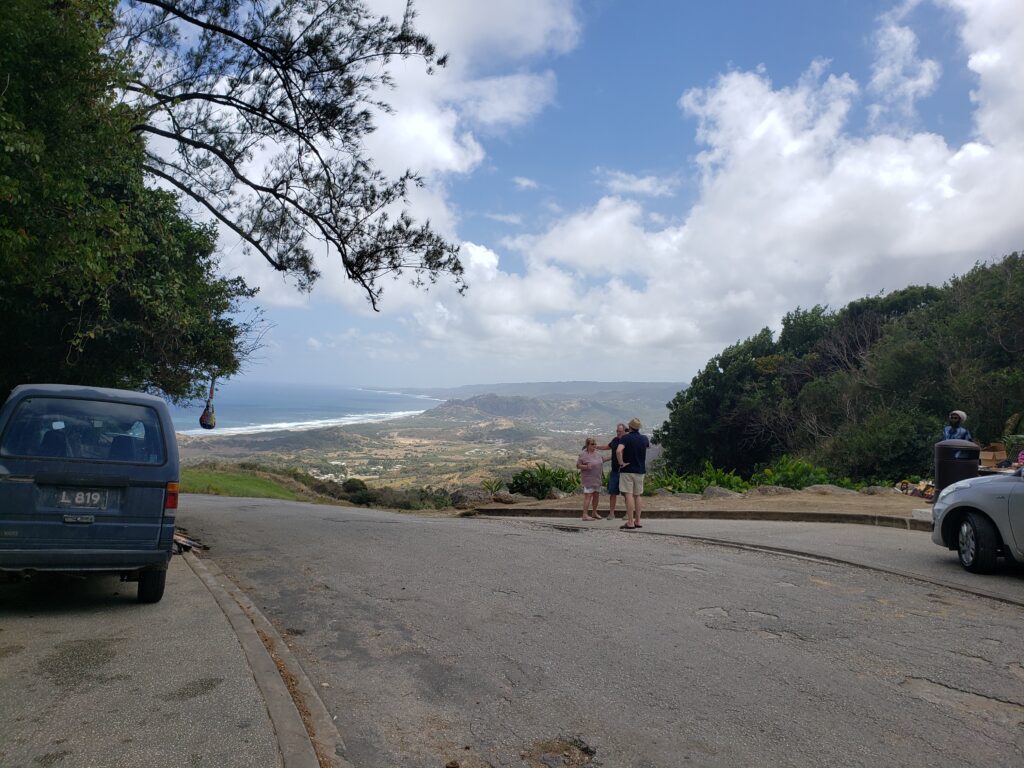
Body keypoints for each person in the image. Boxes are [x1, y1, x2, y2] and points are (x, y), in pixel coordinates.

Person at [615, 418, 650, 530]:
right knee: (637, 495)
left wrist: (621, 463)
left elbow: (618, 451)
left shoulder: (625, 438)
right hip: (640, 470)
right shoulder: (644, 438)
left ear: (629, 427)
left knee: (628, 495)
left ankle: (630, 522)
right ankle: (638, 521)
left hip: (627, 470)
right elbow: (647, 447)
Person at [597, 423, 627, 520]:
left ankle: (628, 513)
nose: (618, 433)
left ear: (624, 431)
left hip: (624, 471)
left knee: (626, 494)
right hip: (614, 470)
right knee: (612, 492)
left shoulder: (627, 441)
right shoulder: (615, 440)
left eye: (620, 431)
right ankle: (611, 513)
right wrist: (596, 447)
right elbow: (608, 447)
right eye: (617, 431)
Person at [576, 437, 608, 521]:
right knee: (588, 496)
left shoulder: (597, 454)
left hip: (597, 479)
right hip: (588, 480)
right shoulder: (583, 454)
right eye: (592, 444)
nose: (594, 445)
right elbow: (578, 465)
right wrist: (586, 466)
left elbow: (602, 460)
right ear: (587, 445)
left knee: (596, 496)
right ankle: (585, 515)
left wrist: (613, 456)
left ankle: (594, 512)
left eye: (595, 444)